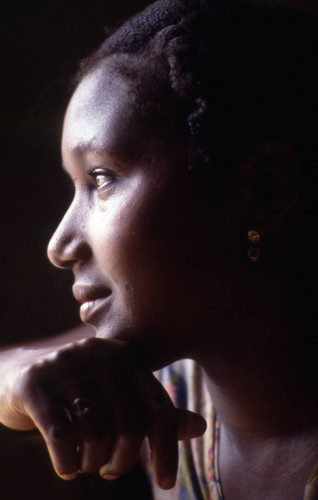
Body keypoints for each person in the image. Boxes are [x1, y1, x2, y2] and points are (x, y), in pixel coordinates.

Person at [1, 0, 318, 498]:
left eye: (100, 178)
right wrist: (13, 380)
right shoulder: (165, 390)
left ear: (262, 190)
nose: (60, 247)